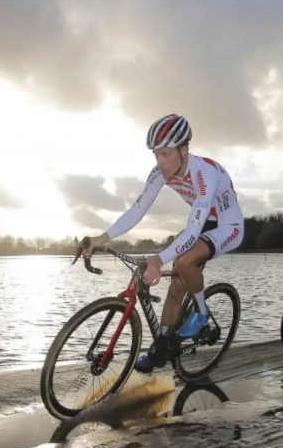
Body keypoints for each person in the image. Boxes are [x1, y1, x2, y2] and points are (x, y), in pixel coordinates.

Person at [81, 114, 244, 372]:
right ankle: (162, 347)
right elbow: (138, 209)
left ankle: (201, 314)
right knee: (175, 289)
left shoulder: (205, 174)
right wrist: (101, 238)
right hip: (201, 224)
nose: (161, 162)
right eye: (157, 155)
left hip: (227, 226)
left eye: (166, 154)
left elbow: (193, 228)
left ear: (184, 149)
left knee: (183, 260)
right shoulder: (160, 173)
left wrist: (158, 260)